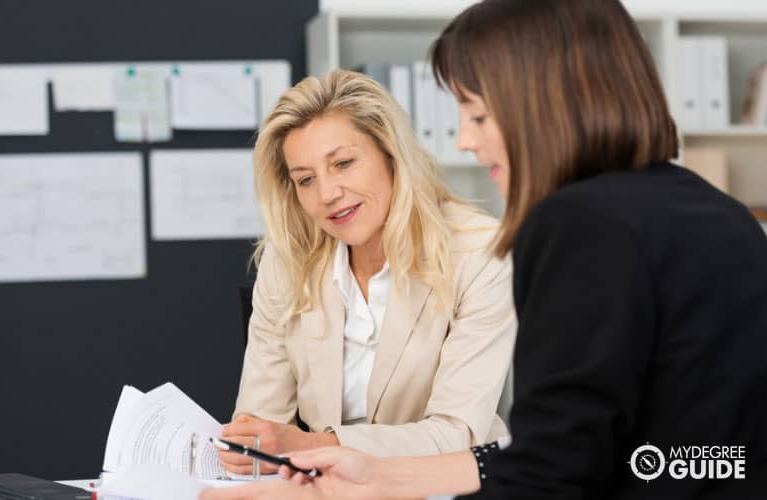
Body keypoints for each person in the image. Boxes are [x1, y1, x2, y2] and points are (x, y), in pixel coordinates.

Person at [202, 0, 767, 498]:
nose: (465, 139)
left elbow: (556, 467)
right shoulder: (719, 213)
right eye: (304, 179)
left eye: (477, 114)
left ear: (542, 103)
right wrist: (375, 476)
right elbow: (662, 458)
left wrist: (332, 483)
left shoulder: (577, 224)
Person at [218, 69, 516, 475]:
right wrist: (248, 450)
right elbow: (260, 425)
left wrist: (314, 445)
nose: (326, 195)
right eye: (305, 180)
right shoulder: (287, 260)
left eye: (343, 163)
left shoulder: (481, 253)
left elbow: (456, 433)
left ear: (391, 154)